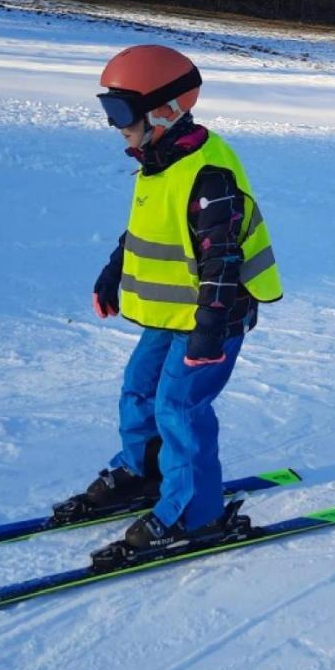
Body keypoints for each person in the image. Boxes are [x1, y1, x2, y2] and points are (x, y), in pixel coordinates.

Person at [54, 44, 282, 551]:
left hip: (213, 317)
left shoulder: (209, 176)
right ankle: (145, 473)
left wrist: (210, 330)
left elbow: (221, 259)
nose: (115, 125)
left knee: (179, 406)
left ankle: (196, 514)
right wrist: (114, 272)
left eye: (121, 111)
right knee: (139, 389)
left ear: (166, 109)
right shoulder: (159, 160)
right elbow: (144, 228)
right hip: (174, 311)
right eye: (107, 109)